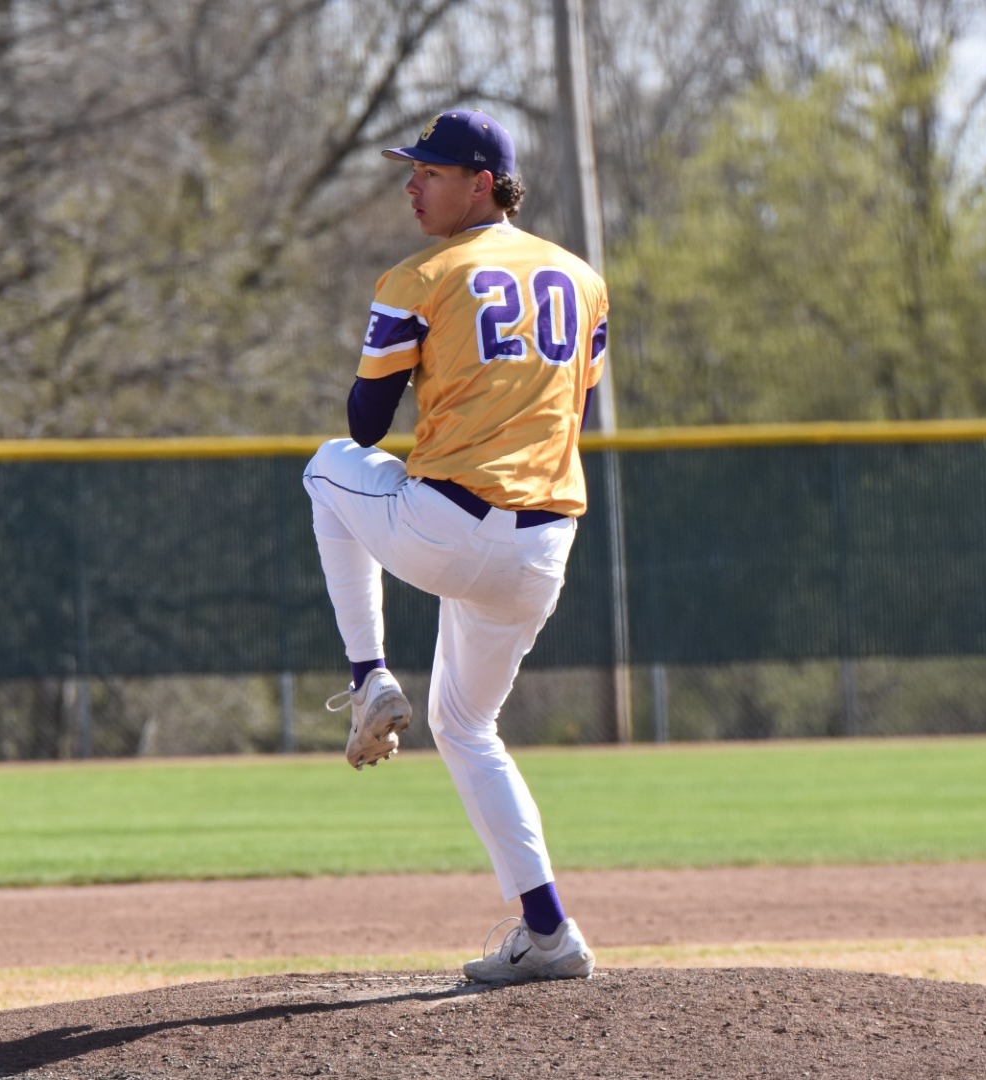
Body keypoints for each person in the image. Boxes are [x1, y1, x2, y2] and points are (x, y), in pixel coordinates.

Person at [303, 108, 609, 985]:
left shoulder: (419, 274)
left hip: (445, 526)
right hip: (543, 550)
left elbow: (364, 423)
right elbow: (571, 401)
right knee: (467, 727)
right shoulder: (583, 280)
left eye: (430, 172)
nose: (412, 183)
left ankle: (367, 677)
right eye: (413, 170)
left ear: (483, 183)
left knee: (328, 470)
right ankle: (548, 934)